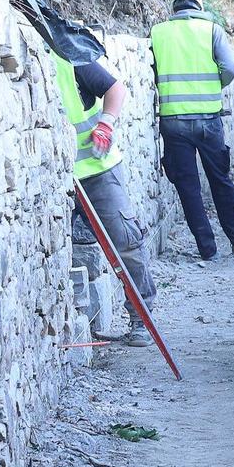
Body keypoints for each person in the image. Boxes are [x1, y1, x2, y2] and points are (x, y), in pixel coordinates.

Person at [51, 46, 156, 345]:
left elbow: (114, 88)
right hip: (57, 178)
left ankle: (142, 319)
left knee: (125, 242)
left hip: (97, 169)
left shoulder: (65, 55)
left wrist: (106, 124)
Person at [149, 0, 234, 262]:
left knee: (188, 188)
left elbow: (155, 71)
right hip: (209, 120)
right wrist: (214, 86)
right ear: (199, 7)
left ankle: (208, 250)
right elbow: (230, 68)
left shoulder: (158, 33)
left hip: (173, 122)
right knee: (220, 180)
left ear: (175, 9)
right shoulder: (212, 30)